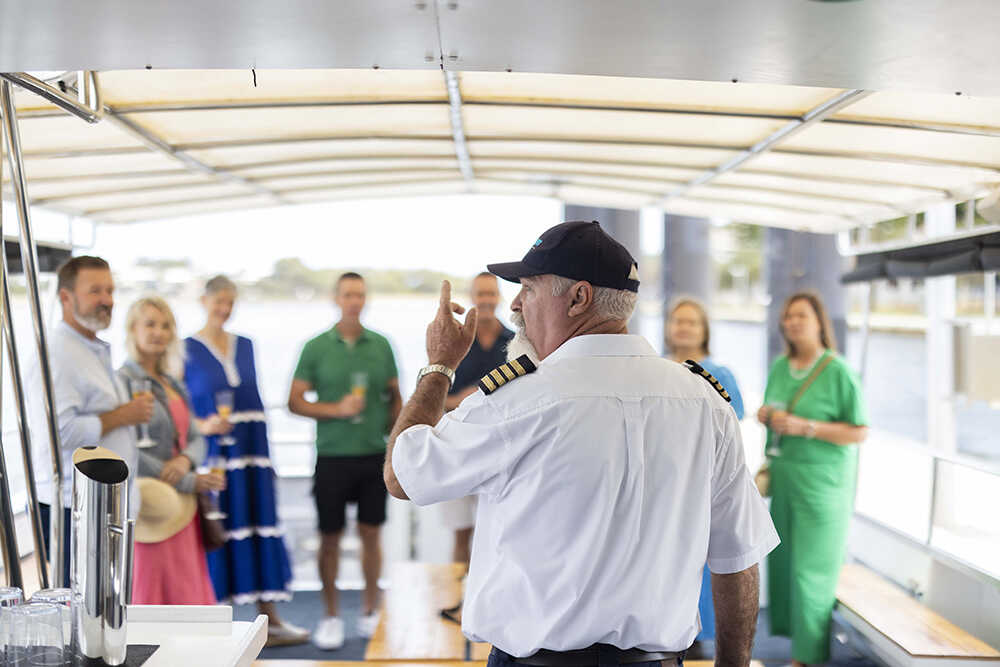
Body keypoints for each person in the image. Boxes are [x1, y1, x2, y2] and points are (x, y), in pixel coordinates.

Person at [384, 220, 779, 667]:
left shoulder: (517, 401)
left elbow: (402, 476)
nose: (515, 304)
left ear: (578, 298)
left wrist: (439, 366)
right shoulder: (704, 402)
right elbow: (738, 557)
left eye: (529, 289)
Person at [184, 275, 307, 646]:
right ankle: (214, 624)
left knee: (259, 522)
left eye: (230, 302)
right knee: (219, 530)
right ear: (204, 301)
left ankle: (269, 620)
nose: (224, 308)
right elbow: (178, 411)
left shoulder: (247, 345)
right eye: (218, 301)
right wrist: (203, 424)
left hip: (253, 454)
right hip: (215, 456)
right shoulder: (185, 349)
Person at [288, 271, 403, 649]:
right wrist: (336, 409)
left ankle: (370, 610)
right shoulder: (315, 347)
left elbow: (395, 397)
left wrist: (399, 440)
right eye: (348, 295)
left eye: (360, 295)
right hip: (332, 456)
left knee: (371, 535)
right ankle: (331, 616)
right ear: (336, 299)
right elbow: (295, 401)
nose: (355, 301)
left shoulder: (382, 345)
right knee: (330, 539)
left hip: (373, 455)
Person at [757, 291, 868, 667]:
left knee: (812, 573)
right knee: (784, 564)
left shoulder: (838, 371)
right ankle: (796, 648)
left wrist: (806, 427)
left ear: (820, 321)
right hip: (786, 479)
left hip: (823, 485)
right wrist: (767, 417)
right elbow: (775, 412)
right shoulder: (780, 367)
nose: (792, 322)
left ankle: (807, 658)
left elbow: (859, 431)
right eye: (788, 316)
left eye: (801, 315)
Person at [28, 256, 149, 586]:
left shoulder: (91, 349)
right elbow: (59, 432)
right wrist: (124, 415)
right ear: (65, 297)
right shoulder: (58, 353)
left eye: (110, 290)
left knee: (106, 601)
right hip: (75, 508)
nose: (107, 300)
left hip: (102, 504)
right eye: (95, 291)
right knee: (82, 604)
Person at [118, 296, 224, 605]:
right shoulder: (122, 382)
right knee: (154, 595)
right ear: (133, 329)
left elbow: (196, 436)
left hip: (183, 509)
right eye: (150, 324)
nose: (159, 332)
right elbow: (125, 450)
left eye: (166, 326)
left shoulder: (171, 382)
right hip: (153, 509)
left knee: (187, 589)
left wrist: (185, 460)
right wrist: (188, 480)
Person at [664, 296, 745, 658]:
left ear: (704, 330)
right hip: (664, 481)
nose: (684, 328)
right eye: (678, 321)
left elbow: (731, 433)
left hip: (702, 480)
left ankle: (697, 637)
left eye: (692, 322)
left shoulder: (718, 375)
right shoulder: (656, 368)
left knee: (702, 557)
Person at [440, 272, 514, 567]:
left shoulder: (517, 342)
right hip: (457, 450)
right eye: (481, 293)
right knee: (461, 534)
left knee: (500, 533)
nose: (486, 300)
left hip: (502, 452)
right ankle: (459, 594)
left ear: (499, 298)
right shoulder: (454, 342)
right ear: (472, 297)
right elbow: (435, 396)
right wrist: (462, 400)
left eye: (491, 294)